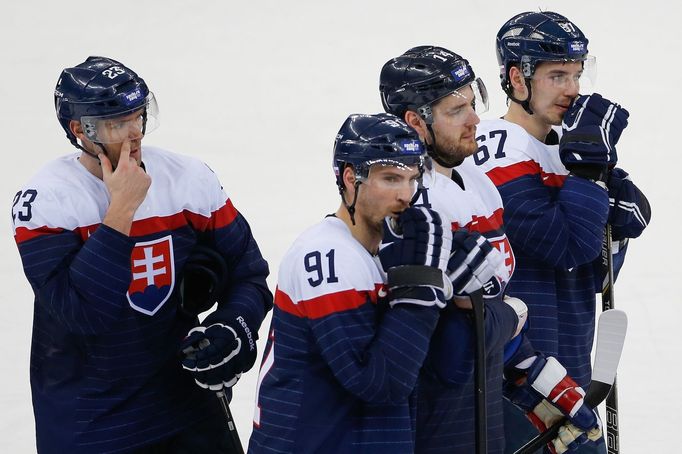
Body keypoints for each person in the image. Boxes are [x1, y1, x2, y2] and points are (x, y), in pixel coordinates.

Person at [11, 56, 273, 453]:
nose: (134, 134)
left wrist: (232, 328)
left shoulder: (188, 179)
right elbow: (83, 313)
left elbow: (249, 274)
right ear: (80, 130)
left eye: (138, 117)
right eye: (118, 124)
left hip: (188, 409)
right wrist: (121, 212)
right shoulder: (47, 202)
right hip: (91, 427)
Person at [381, 45, 603, 454]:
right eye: (456, 110)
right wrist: (510, 318)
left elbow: (490, 303)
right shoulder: (412, 205)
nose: (474, 119)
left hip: (484, 392)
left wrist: (533, 373)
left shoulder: (475, 180)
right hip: (438, 417)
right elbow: (439, 348)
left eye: (473, 102)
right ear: (415, 123)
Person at [249, 113, 495, 453]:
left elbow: (427, 364)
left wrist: (457, 299)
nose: (405, 195)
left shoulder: (386, 254)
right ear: (351, 179)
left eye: (412, 179)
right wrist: (422, 289)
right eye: (391, 178)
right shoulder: (327, 256)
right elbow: (380, 384)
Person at [473, 11, 651, 453]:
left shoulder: (564, 151)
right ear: (517, 78)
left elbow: (596, 268)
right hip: (514, 376)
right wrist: (590, 175)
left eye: (576, 74)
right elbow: (566, 246)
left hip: (566, 362)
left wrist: (612, 214)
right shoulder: (495, 150)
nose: (572, 90)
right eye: (557, 75)